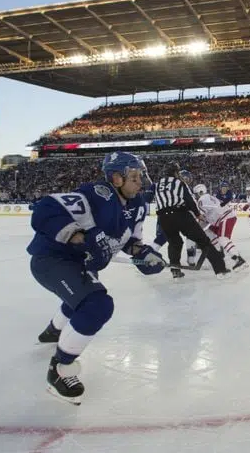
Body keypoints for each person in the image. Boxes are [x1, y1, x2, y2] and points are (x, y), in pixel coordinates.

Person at [28, 152, 166, 404]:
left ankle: (52, 332)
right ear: (116, 178)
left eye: (141, 177)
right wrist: (77, 236)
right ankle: (59, 369)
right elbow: (44, 209)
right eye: (134, 177)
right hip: (53, 259)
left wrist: (145, 255)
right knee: (97, 305)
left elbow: (131, 243)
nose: (140, 182)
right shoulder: (97, 195)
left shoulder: (138, 206)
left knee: (82, 296)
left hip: (82, 264)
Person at [153, 161, 233, 279]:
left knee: (175, 243)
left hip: (163, 218)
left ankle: (175, 269)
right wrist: (198, 214)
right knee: (204, 241)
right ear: (175, 172)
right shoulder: (179, 183)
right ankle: (220, 269)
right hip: (180, 215)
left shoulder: (158, 184)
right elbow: (189, 200)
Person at [190, 183, 247, 271]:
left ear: (199, 192)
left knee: (223, 239)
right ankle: (219, 253)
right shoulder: (209, 196)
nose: (196, 196)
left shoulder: (202, 200)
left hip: (224, 217)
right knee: (210, 233)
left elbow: (201, 215)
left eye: (196, 194)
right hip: (223, 218)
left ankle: (239, 259)